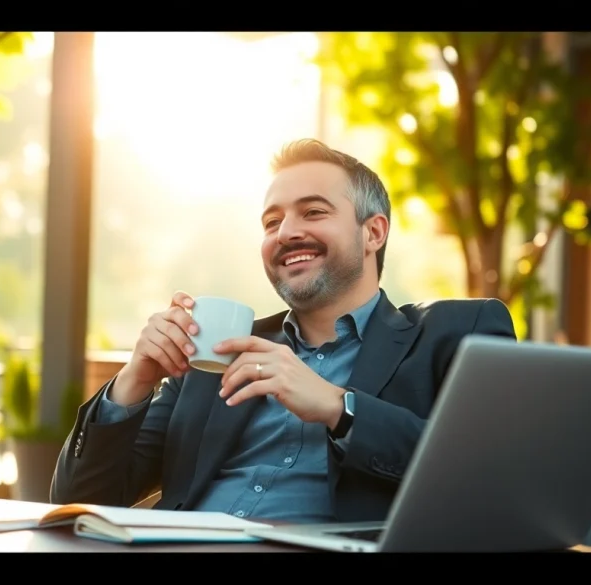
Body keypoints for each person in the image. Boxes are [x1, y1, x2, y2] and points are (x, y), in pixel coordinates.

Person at [50, 138, 516, 523]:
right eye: (272, 221)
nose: (286, 231)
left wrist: (341, 408)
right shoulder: (215, 356)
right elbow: (78, 502)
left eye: (313, 212)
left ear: (373, 233)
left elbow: (492, 478)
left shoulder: (455, 331)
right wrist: (135, 380)